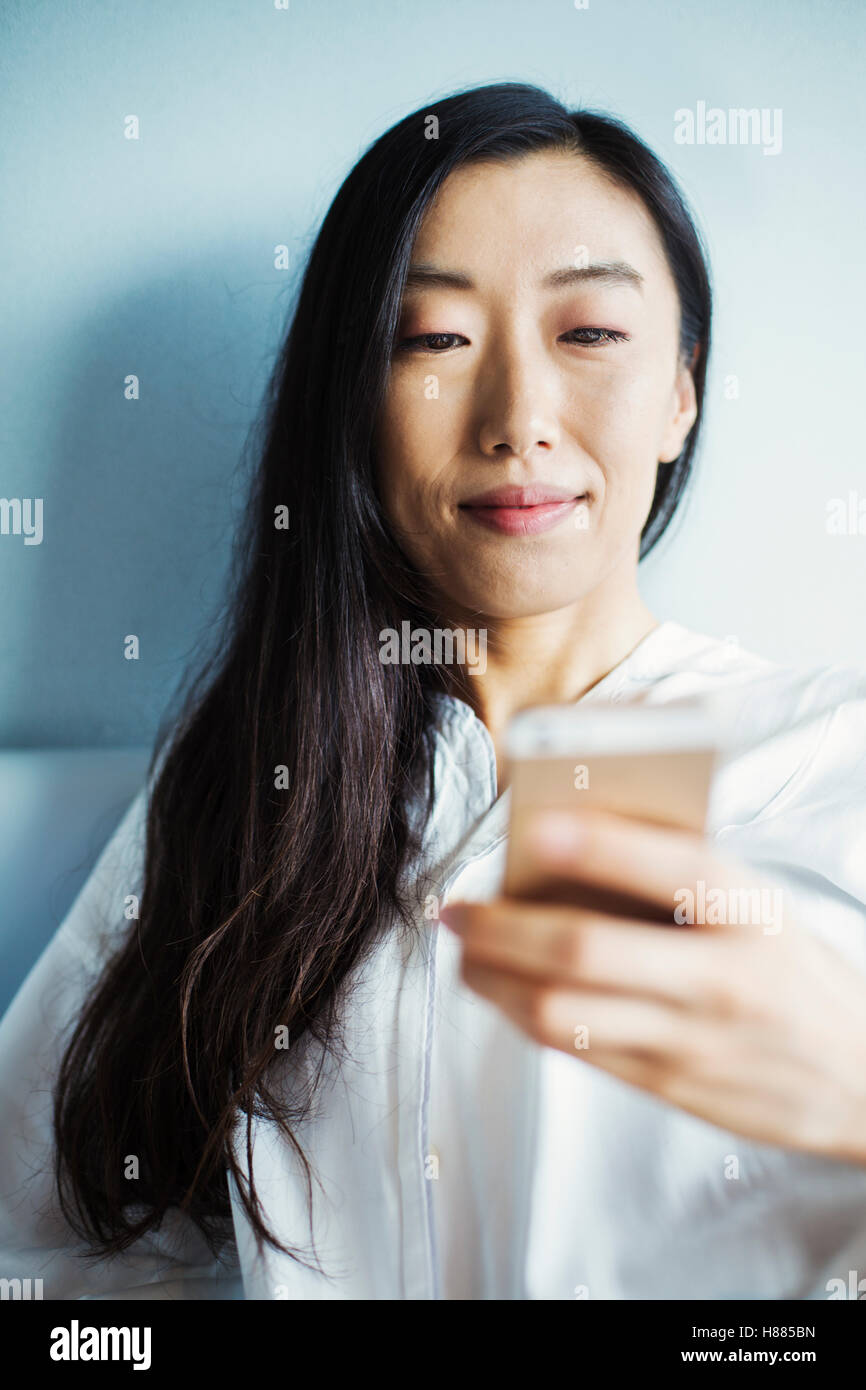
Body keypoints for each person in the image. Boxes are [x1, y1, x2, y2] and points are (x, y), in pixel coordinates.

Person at [2, 82, 866, 1302]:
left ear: (680, 389)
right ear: (352, 405)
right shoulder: (242, 784)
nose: (517, 420)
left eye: (590, 335)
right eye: (432, 341)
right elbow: (49, 1248)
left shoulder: (835, 756)